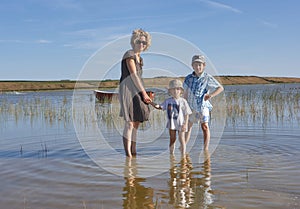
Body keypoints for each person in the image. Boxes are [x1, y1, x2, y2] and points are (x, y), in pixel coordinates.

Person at [119, 29, 152, 158]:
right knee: (129, 123)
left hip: (138, 89)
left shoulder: (140, 58)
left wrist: (145, 93)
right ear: (134, 41)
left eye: (144, 42)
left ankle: (134, 150)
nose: (141, 45)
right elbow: (133, 76)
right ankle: (128, 155)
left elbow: (140, 78)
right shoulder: (129, 54)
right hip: (127, 89)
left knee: (137, 121)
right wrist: (144, 93)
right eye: (139, 42)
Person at [183, 55, 224, 151]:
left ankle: (206, 149)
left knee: (204, 126)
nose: (198, 67)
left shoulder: (207, 77)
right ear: (192, 66)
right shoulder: (188, 78)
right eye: (196, 65)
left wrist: (211, 95)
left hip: (203, 106)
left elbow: (220, 88)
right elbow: (185, 93)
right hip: (191, 106)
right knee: (188, 126)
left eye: (200, 65)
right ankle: (184, 147)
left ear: (204, 65)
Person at [152, 79, 192, 154]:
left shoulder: (183, 101)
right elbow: (159, 107)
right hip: (171, 123)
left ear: (181, 91)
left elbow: (187, 113)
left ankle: (183, 155)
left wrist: (185, 124)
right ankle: (171, 155)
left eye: (177, 89)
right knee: (172, 139)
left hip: (181, 123)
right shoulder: (168, 101)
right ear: (170, 91)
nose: (175, 91)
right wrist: (151, 102)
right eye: (173, 89)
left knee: (182, 139)